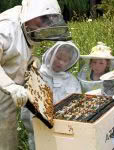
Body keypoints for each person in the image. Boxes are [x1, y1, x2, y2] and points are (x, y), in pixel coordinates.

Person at [0, 0, 71, 149]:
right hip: (5, 84)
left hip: (9, 88)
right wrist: (10, 86)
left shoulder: (29, 24)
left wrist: (31, 62)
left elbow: (17, 53)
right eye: (43, 19)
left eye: (49, 20)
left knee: (8, 131)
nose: (45, 24)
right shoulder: (5, 28)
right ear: (32, 13)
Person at [22, 41, 82, 149]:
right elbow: (28, 111)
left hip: (66, 132)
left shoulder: (72, 80)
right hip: (41, 133)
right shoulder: (38, 75)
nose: (61, 62)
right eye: (58, 57)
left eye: (65, 60)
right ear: (51, 54)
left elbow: (78, 106)